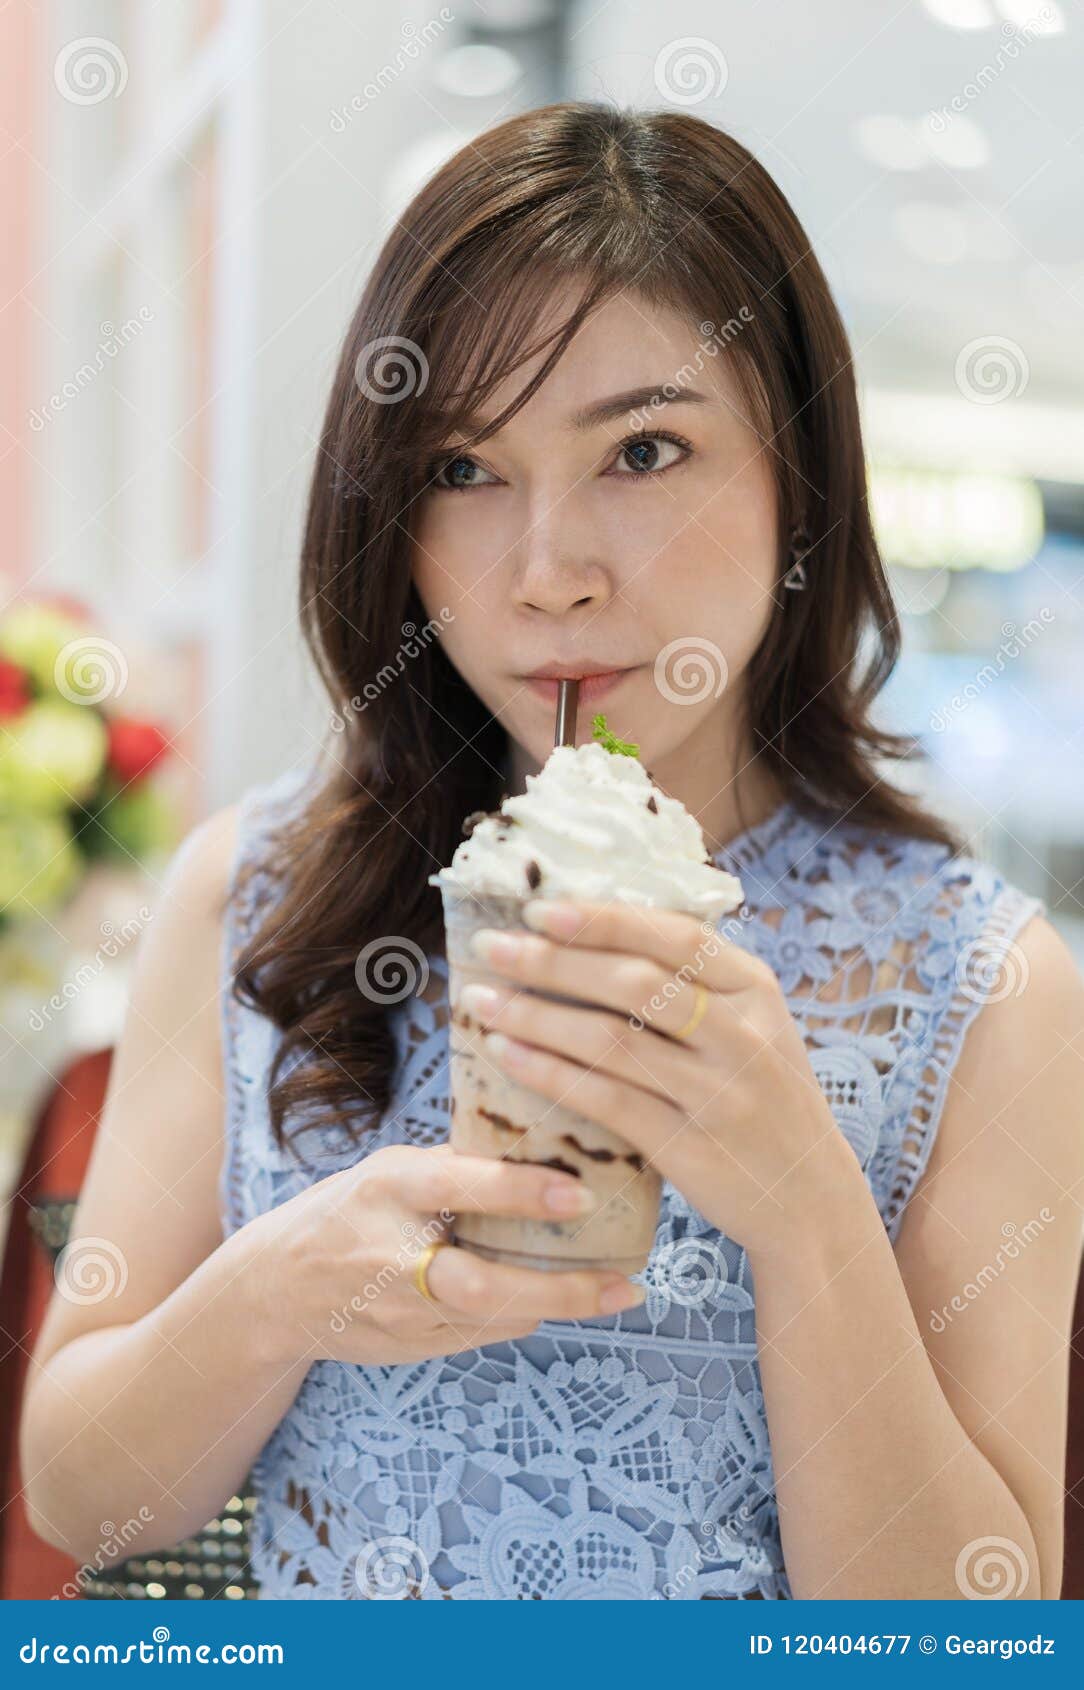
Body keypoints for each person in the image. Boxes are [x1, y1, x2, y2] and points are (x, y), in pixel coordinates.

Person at [22, 102, 1083, 1601]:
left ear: (800, 472)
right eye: (463, 470)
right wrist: (277, 1293)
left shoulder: (987, 986)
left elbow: (965, 1631)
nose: (548, 574)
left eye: (644, 449)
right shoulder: (253, 890)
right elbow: (81, 1496)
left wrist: (804, 1203)